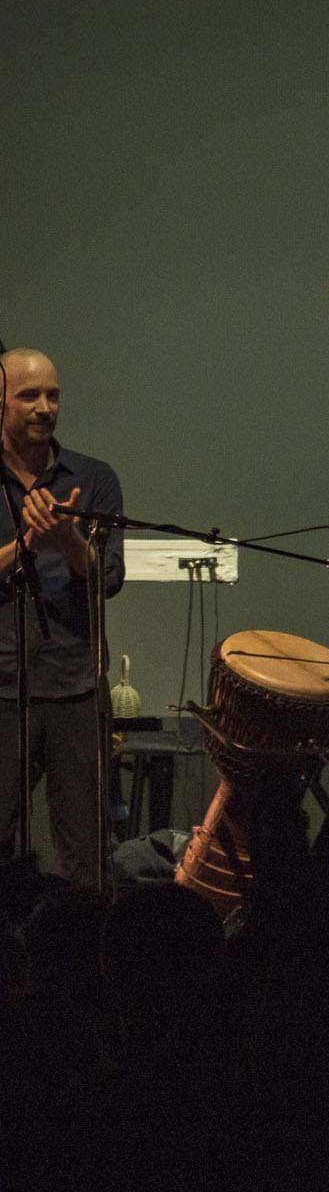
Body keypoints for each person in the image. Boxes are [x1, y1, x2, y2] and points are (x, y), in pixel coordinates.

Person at [0, 348, 125, 888]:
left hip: (75, 687)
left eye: (52, 395)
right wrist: (24, 545)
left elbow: (108, 577)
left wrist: (65, 538)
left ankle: (81, 966)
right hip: (3, 690)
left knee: (84, 852)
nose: (44, 407)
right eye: (29, 395)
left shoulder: (93, 479)